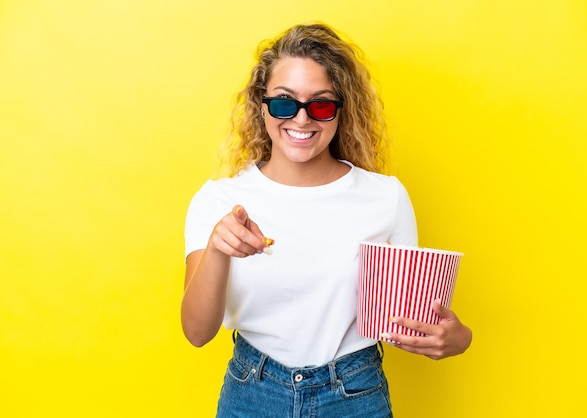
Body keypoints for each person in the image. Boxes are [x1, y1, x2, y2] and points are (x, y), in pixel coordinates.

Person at [182, 22, 472, 417]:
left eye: (320, 104)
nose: (301, 120)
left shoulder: (385, 198)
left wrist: (457, 338)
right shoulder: (219, 199)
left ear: (341, 109)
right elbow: (197, 333)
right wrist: (218, 247)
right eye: (285, 102)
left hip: (355, 394)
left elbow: (417, 321)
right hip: (252, 393)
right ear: (261, 104)